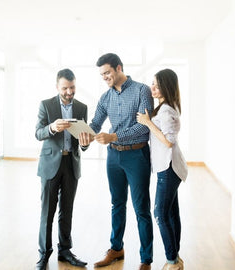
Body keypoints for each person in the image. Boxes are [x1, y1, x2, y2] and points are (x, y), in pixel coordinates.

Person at [80, 53, 154, 270]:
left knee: (141, 208)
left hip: (137, 155)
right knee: (117, 203)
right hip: (114, 157)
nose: (105, 77)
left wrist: (113, 136)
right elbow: (95, 123)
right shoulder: (105, 97)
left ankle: (146, 259)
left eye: (107, 73)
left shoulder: (142, 90)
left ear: (119, 68)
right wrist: (83, 134)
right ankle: (116, 248)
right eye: (102, 74)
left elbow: (144, 126)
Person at [35, 68, 89, 270]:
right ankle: (43, 254)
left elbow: (83, 141)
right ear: (57, 87)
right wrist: (51, 128)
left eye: (72, 87)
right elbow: (38, 133)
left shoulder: (82, 107)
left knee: (67, 210)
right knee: (47, 212)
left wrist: (85, 143)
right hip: (50, 165)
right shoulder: (46, 105)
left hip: (71, 164)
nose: (69, 92)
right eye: (65, 88)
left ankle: (65, 250)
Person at [136, 69, 188, 270]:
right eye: (152, 83)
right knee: (171, 213)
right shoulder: (165, 107)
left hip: (169, 168)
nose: (152, 88)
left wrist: (148, 123)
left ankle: (172, 262)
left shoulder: (166, 111)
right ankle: (175, 257)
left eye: (156, 85)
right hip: (166, 167)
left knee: (160, 213)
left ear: (166, 86)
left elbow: (168, 142)